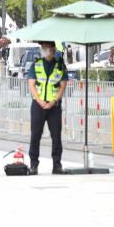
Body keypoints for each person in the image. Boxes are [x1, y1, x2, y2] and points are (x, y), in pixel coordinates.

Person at [27, 41, 68, 175]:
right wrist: (39, 101)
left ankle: (57, 165)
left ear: (53, 49)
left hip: (54, 106)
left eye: (45, 48)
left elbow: (63, 86)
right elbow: (32, 84)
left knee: (56, 136)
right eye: (42, 48)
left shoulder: (60, 66)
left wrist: (54, 101)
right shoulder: (36, 65)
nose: (43, 50)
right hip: (38, 105)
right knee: (35, 135)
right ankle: (33, 164)